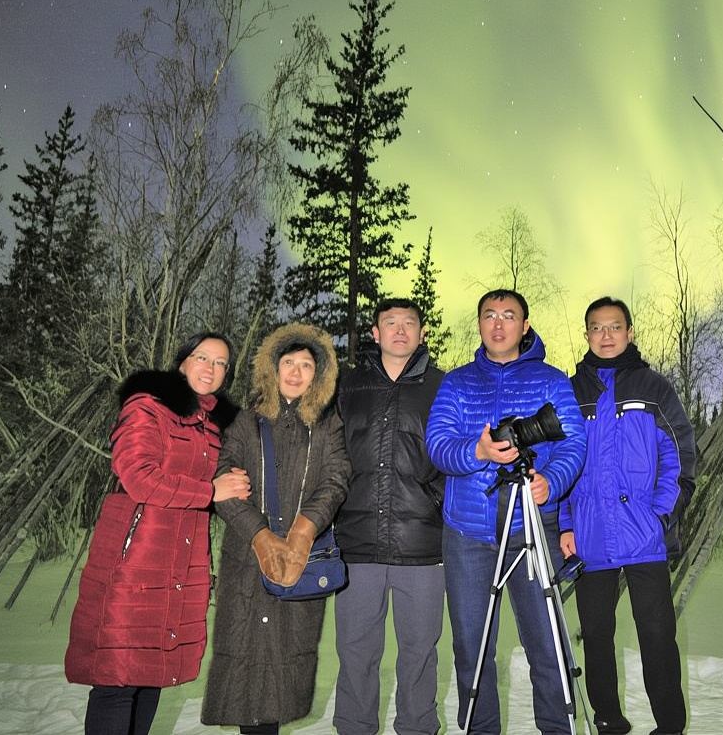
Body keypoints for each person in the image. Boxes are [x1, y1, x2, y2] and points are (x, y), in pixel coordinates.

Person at [65, 332, 249, 735]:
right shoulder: (147, 405)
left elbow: (216, 484)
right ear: (182, 361)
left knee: (152, 675)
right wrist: (211, 491)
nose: (211, 368)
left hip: (183, 563)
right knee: (118, 676)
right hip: (136, 557)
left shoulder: (214, 425)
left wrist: (231, 485)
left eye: (221, 364)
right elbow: (138, 477)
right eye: (203, 358)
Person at [426, 288, 586, 735]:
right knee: (472, 648)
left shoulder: (553, 380)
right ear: (479, 324)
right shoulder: (456, 383)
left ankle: (558, 727)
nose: (498, 324)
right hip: (469, 534)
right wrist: (477, 452)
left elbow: (574, 441)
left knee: (547, 644)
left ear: (525, 325)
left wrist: (550, 481)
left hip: (533, 530)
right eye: (489, 315)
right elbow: (437, 445)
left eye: (509, 316)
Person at [201, 322, 351, 734]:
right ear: (273, 367)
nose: (297, 372)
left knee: (283, 676)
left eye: (306, 365)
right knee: (247, 677)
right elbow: (225, 484)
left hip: (302, 561)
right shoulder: (244, 422)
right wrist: (260, 535)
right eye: (289, 363)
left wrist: (303, 531)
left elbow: (337, 478)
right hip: (247, 562)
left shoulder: (327, 424)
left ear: (318, 375)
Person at [560, 297, 697, 735]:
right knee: (596, 637)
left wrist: (661, 516)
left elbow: (680, 456)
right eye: (596, 328)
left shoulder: (654, 388)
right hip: (589, 534)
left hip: (644, 534)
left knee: (657, 636)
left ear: (630, 332)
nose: (606, 335)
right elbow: (559, 463)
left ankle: (670, 727)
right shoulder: (571, 391)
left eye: (614, 327)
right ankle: (609, 722)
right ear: (586, 335)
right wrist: (565, 523)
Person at [333, 298, 446, 735]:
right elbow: (329, 455)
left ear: (421, 333)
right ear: (375, 334)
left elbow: (458, 453)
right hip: (357, 545)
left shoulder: (443, 386)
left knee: (419, 652)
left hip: (422, 543)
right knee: (356, 652)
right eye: (390, 323)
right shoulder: (347, 387)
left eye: (409, 323)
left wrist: (433, 499)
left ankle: (418, 728)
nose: (400, 330)